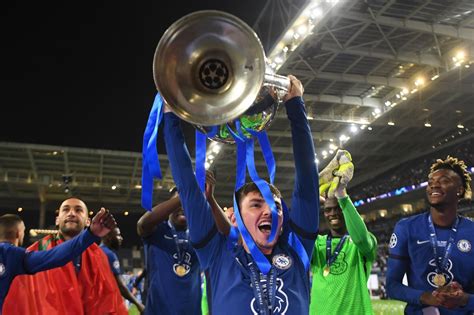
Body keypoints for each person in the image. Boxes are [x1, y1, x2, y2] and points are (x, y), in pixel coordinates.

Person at [163, 75, 319, 314]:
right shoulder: (216, 255)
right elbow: (187, 184)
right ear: (238, 214)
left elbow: (308, 185)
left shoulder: (297, 251)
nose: (269, 210)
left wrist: (295, 104)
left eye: (276, 206)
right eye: (256, 204)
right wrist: (170, 113)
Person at [3, 198, 128, 315]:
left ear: (88, 221)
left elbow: (108, 299)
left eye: (78, 210)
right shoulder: (37, 250)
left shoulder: (99, 255)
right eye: (66, 209)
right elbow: (20, 301)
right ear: (57, 220)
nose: (72, 213)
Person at [387, 156, 474, 314]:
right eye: (431, 181)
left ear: (460, 190)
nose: (434, 184)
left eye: (444, 180)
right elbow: (392, 286)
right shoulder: (406, 227)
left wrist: (463, 299)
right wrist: (426, 297)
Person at [309, 150, 377, 314]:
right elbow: (299, 237)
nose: (333, 213)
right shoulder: (317, 243)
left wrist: (341, 194)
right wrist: (309, 203)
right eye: (328, 210)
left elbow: (361, 239)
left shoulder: (362, 243)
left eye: (338, 208)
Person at [137, 187, 202, 315]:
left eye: (186, 202)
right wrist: (184, 195)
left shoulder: (199, 235)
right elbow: (142, 224)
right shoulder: (157, 230)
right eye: (178, 203)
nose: (183, 206)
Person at [101, 227, 145, 313]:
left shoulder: (97, 251)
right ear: (108, 237)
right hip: (106, 306)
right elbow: (120, 286)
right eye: (118, 235)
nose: (121, 238)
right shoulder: (109, 255)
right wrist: (138, 304)